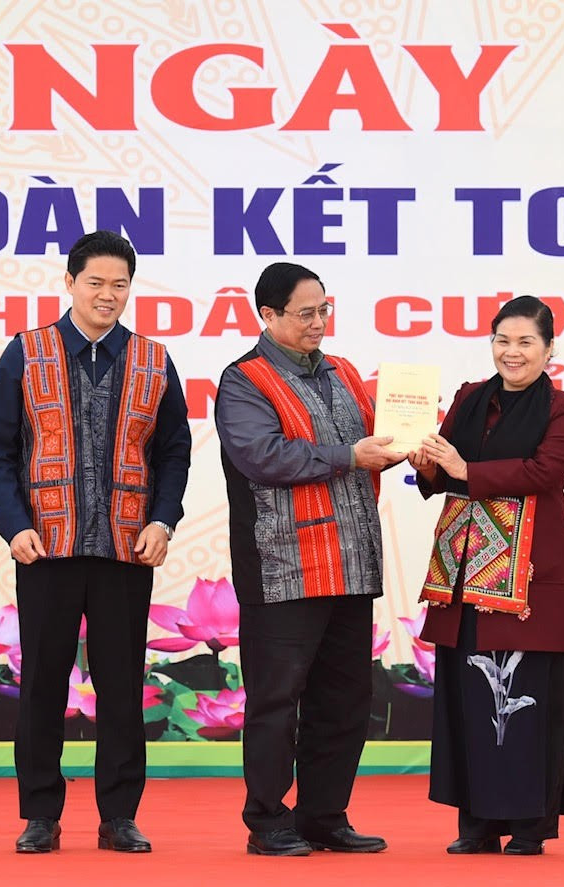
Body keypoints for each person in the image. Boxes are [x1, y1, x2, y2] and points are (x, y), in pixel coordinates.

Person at [0, 230, 191, 854]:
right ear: (69, 282)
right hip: (45, 549)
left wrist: (164, 519)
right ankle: (40, 813)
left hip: (128, 550)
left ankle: (118, 814)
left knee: (123, 686)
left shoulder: (155, 360)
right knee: (42, 682)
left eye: (119, 285)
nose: (108, 295)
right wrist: (15, 525)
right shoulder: (26, 353)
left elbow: (174, 453)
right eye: (95, 282)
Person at [215, 261, 402, 857]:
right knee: (275, 701)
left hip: (351, 564)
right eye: (305, 313)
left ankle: (325, 814)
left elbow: (376, 440)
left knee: (344, 701)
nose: (319, 322)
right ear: (267, 316)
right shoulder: (244, 380)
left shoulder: (345, 371)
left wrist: (410, 443)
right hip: (284, 567)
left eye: (323, 310)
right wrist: (351, 454)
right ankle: (268, 819)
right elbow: (263, 457)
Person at [408, 295, 564, 856]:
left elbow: (545, 470)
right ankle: (477, 822)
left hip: (529, 576)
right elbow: (444, 470)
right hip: (466, 569)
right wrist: (429, 463)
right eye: (502, 341)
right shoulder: (467, 398)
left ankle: (529, 824)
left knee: (529, 700)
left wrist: (466, 470)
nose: (512, 352)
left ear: (549, 349)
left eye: (526, 342)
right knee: (469, 695)